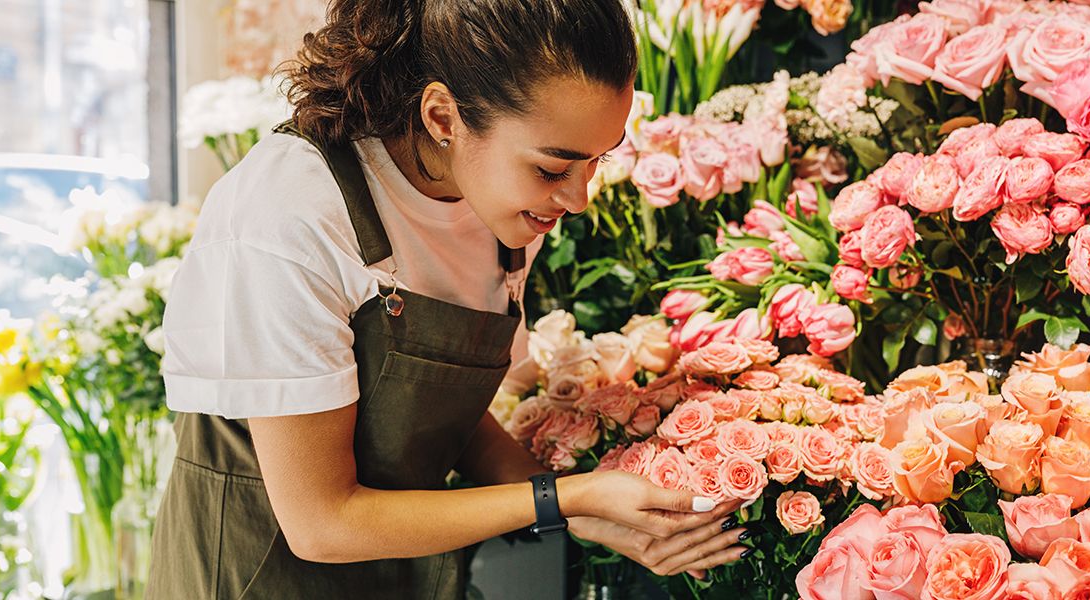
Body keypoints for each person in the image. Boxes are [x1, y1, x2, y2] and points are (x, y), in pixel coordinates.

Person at [145, 1, 754, 598]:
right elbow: (321, 522)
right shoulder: (291, 216)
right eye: (551, 169)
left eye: (597, 161)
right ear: (442, 117)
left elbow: (434, 414)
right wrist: (568, 498)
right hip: (251, 575)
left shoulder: (505, 211)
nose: (579, 199)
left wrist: (594, 514)